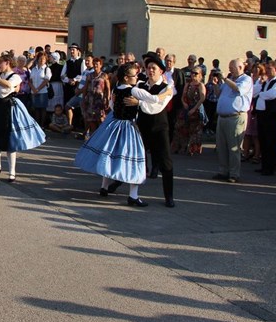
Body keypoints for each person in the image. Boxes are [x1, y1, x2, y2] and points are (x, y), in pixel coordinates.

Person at [76, 62, 165, 206]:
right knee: (134, 159)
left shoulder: (116, 89)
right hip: (128, 127)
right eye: (134, 75)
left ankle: (104, 187)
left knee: (110, 155)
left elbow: (112, 106)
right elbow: (154, 99)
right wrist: (168, 92)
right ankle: (133, 196)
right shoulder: (134, 91)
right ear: (126, 77)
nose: (137, 77)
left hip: (114, 125)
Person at [0, 53, 46, 183]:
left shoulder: (15, 76)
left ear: (7, 63)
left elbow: (7, 85)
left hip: (9, 108)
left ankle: (12, 172)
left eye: (1, 62)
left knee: (10, 139)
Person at [130, 53, 176, 207]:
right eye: (148, 68)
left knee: (166, 162)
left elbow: (155, 107)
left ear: (161, 71)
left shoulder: (166, 88)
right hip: (142, 127)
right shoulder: (140, 85)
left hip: (159, 128)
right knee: (135, 159)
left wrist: (139, 102)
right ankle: (126, 190)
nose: (150, 71)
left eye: (153, 68)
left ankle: (169, 196)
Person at [214, 59, 252, 183]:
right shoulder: (229, 80)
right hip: (223, 117)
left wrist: (225, 79)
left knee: (233, 147)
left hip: (235, 117)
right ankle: (223, 171)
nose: (230, 69)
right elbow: (219, 94)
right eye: (229, 67)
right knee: (222, 146)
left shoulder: (246, 79)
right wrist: (215, 85)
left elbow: (238, 89)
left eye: (232, 67)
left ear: (240, 67)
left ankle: (234, 173)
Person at [254, 61, 276, 175]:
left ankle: (270, 167)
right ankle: (264, 165)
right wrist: (260, 84)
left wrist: (261, 94)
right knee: (263, 140)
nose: (267, 71)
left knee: (270, 140)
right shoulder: (265, 81)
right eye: (266, 69)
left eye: (269, 69)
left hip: (271, 114)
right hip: (261, 113)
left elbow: (272, 94)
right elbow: (253, 92)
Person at [172, 66, 207, 156]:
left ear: (200, 75)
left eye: (196, 73)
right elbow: (183, 96)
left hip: (196, 109)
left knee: (194, 130)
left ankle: (192, 149)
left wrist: (194, 109)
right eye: (192, 73)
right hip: (187, 107)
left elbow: (202, 98)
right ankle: (180, 147)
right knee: (180, 126)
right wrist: (184, 103)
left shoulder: (200, 85)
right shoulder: (188, 84)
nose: (193, 75)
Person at [29, 50, 51, 127]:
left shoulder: (47, 69)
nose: (42, 60)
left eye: (44, 59)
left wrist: (38, 89)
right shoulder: (34, 69)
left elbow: (46, 81)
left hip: (42, 92)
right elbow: (30, 81)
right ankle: (37, 125)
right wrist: (33, 89)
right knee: (36, 109)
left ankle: (42, 125)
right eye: (40, 59)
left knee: (42, 109)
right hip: (34, 92)